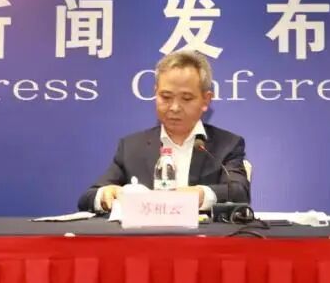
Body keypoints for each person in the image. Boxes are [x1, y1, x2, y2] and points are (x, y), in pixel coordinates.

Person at [77, 50, 250, 213]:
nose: (174, 107)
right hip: (144, 234)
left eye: (186, 98)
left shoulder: (227, 144)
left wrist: (199, 194)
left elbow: (240, 192)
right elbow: (87, 198)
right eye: (166, 97)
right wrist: (106, 195)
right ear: (156, 93)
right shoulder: (131, 147)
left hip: (204, 234)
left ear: (206, 100)